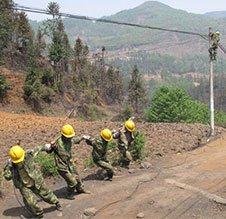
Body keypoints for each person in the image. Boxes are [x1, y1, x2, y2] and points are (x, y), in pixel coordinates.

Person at [3, 145, 62, 219]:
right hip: (23, 185)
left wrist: (47, 147)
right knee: (29, 202)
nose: (20, 162)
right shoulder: (9, 165)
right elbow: (7, 177)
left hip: (36, 180)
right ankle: (38, 213)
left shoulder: (29, 154)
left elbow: (38, 148)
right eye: (17, 161)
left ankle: (56, 202)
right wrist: (10, 168)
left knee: (46, 194)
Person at [49, 124, 90, 200]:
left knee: (77, 177)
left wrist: (82, 138)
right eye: (69, 137)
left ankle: (80, 189)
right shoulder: (57, 142)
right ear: (64, 136)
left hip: (70, 163)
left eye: (71, 136)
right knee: (72, 182)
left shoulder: (70, 140)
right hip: (62, 166)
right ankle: (69, 193)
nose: (70, 138)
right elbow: (49, 151)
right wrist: (51, 146)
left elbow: (75, 140)